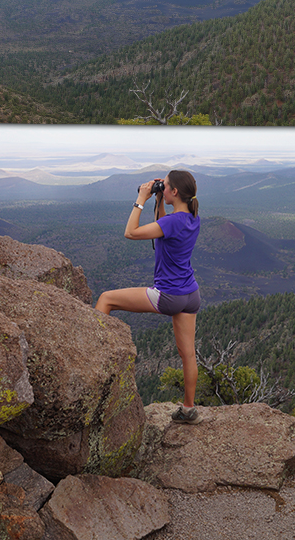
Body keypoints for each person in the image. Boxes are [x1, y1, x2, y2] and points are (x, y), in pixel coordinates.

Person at [96, 169, 202, 425]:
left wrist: (141, 199)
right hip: (190, 295)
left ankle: (91, 354)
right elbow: (164, 226)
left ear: (174, 192)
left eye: (164, 186)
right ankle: (189, 410)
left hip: (167, 295)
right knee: (187, 354)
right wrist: (158, 200)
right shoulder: (192, 218)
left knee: (106, 299)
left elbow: (130, 232)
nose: (161, 188)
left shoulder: (171, 222)